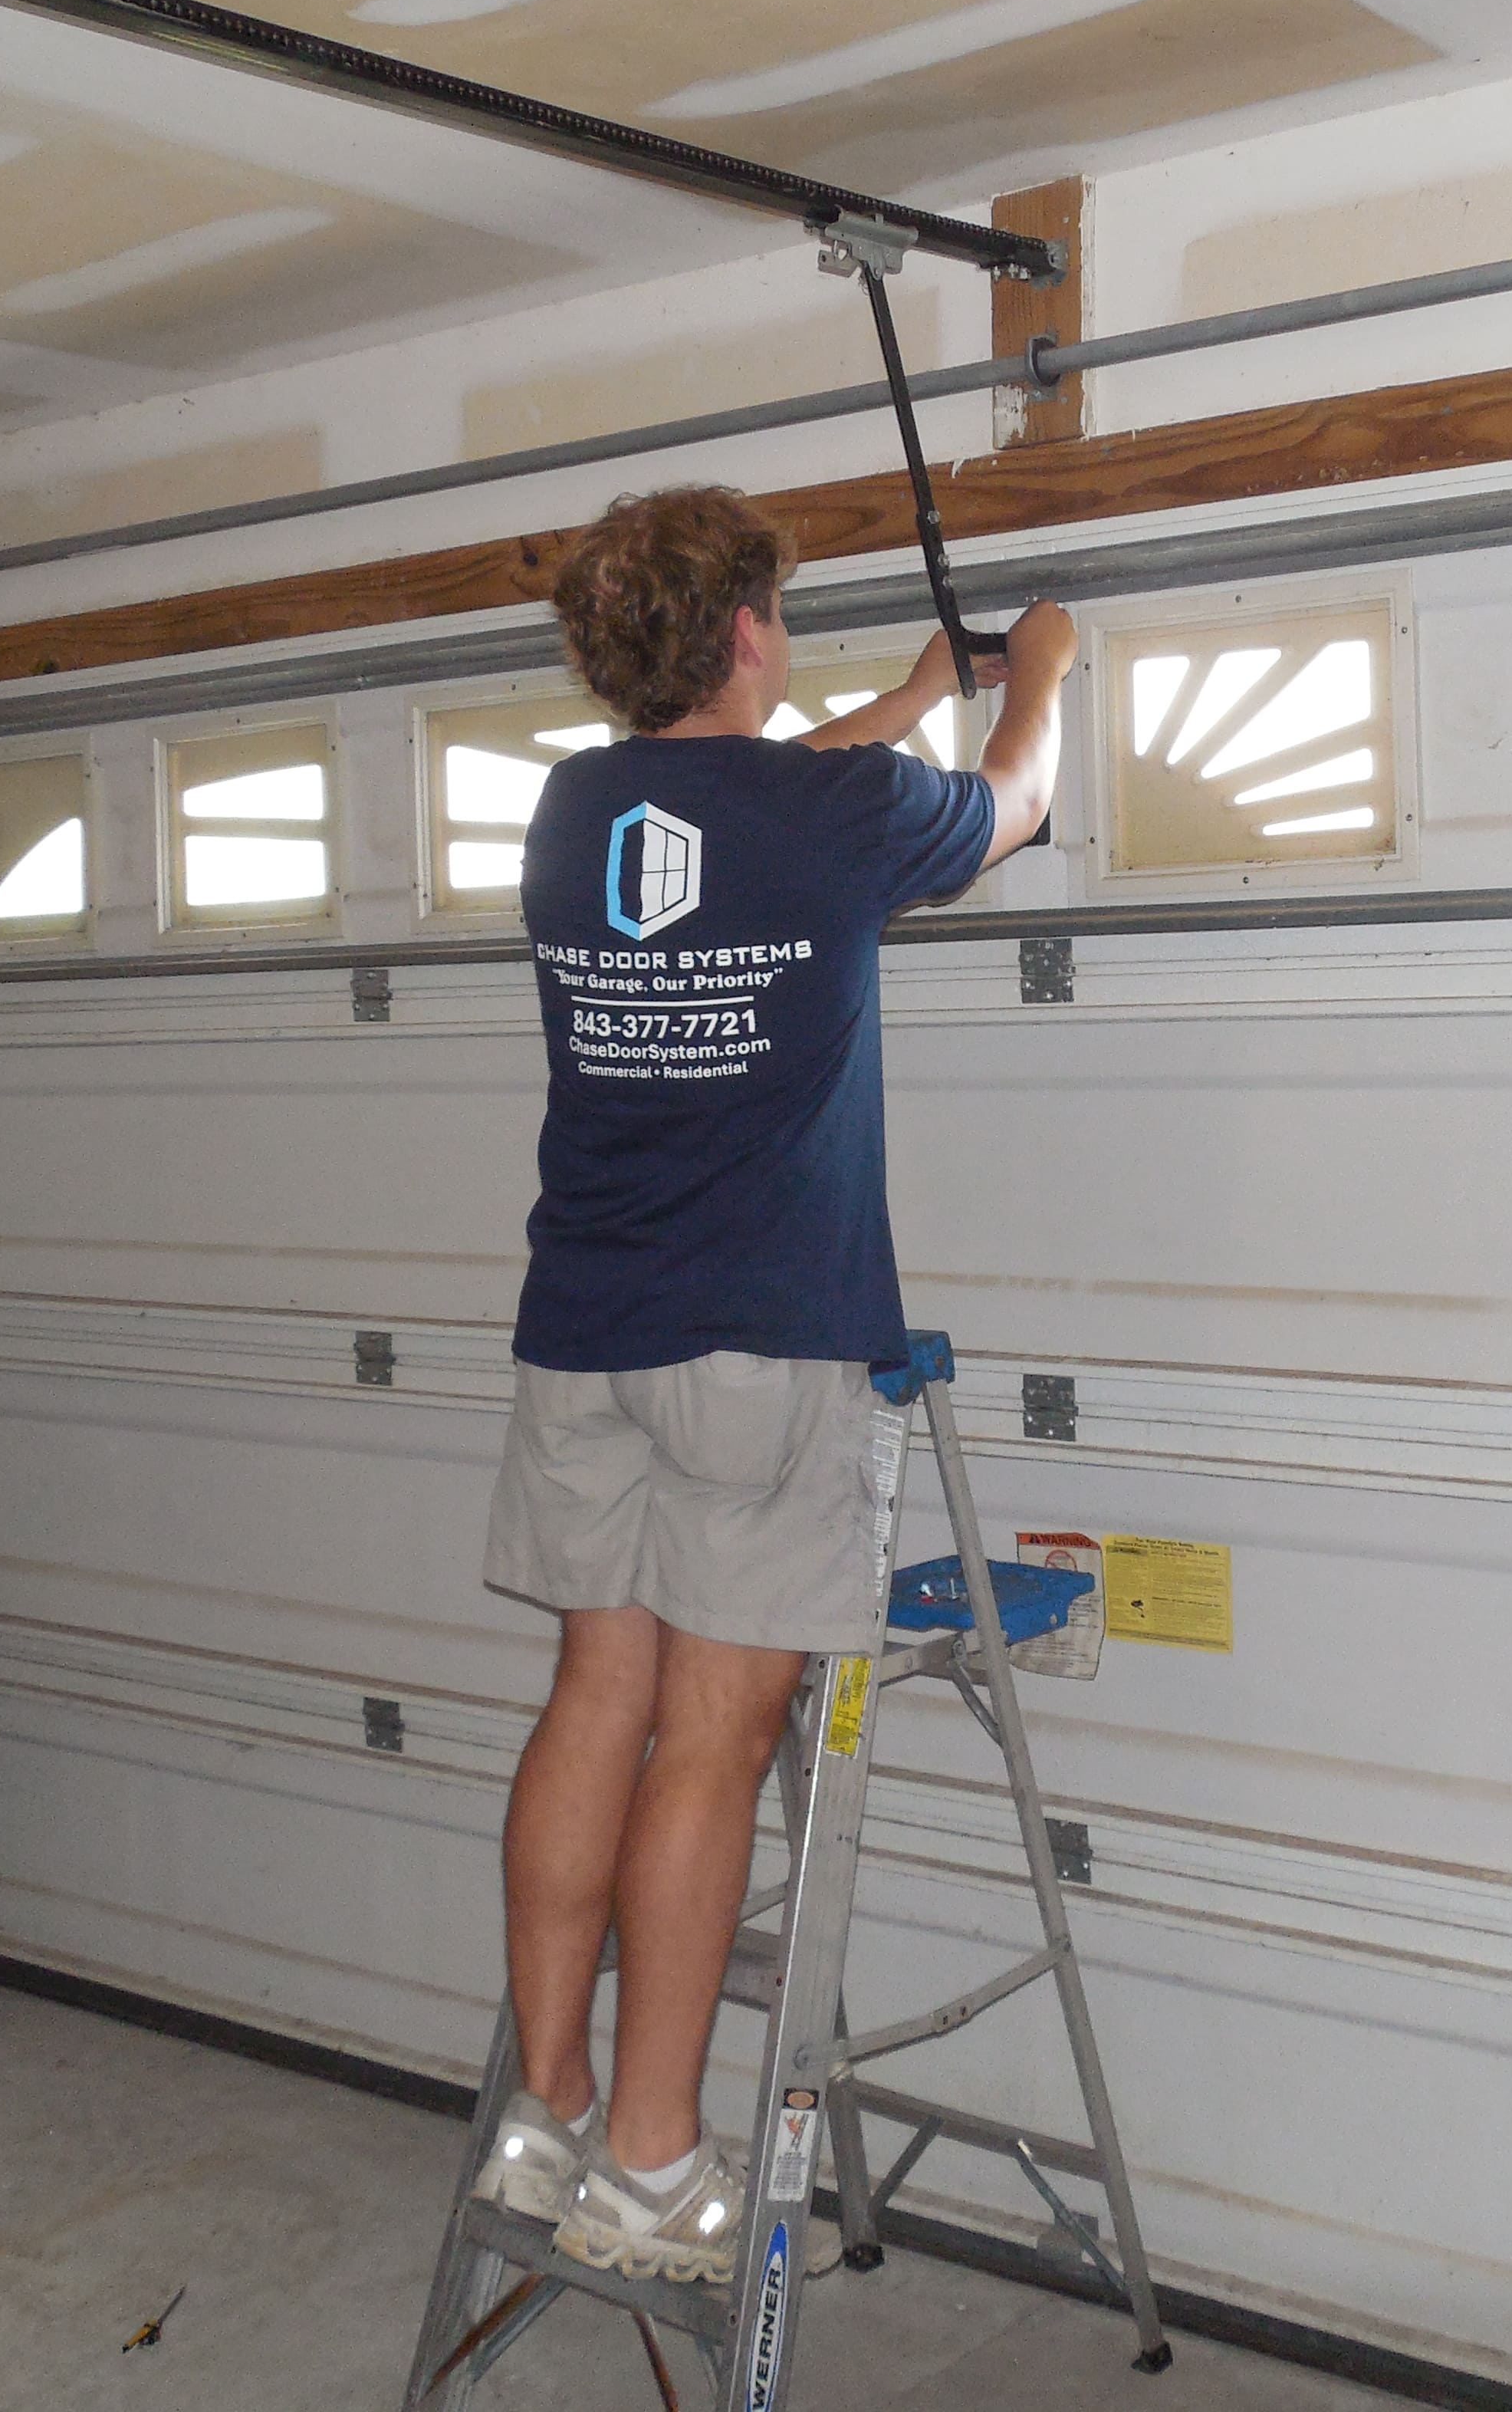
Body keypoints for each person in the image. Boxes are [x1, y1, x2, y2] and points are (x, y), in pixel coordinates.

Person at [470, 482, 1075, 2285]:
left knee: (597, 1700)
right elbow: (1014, 807)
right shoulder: (838, 817)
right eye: (781, 619)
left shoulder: (574, 812)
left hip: (583, 1334)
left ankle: (550, 2112)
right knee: (714, 1741)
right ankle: (655, 2165)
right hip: (761, 1343)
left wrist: (911, 693)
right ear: (746, 631)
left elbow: (737, 801)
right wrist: (1041, 666)